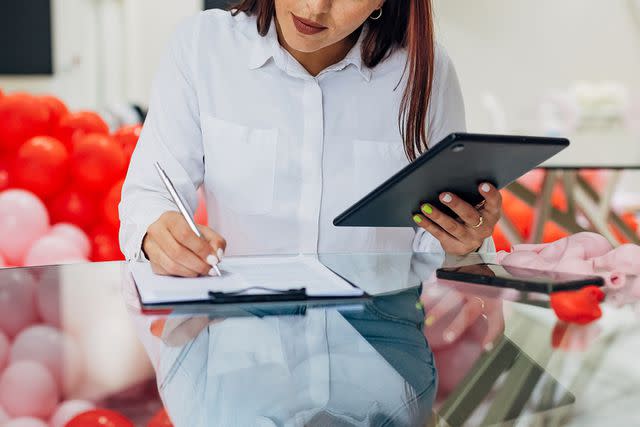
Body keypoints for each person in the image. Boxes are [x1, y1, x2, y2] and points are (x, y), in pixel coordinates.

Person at [119, 0, 503, 277]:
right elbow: (150, 192)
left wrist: (461, 242)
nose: (315, 7)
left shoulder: (424, 72)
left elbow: (431, 244)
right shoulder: (203, 47)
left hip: (379, 347)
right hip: (246, 343)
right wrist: (158, 231)